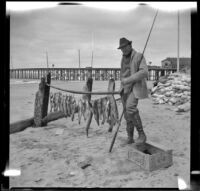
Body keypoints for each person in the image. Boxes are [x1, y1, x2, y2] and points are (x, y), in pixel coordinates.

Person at [118, 37, 148, 144]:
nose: (123, 50)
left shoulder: (138, 56)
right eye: (121, 48)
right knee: (127, 114)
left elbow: (144, 72)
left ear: (130, 45)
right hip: (124, 89)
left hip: (135, 88)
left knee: (130, 107)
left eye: (125, 47)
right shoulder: (122, 58)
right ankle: (130, 137)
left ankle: (142, 134)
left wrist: (128, 80)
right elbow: (123, 74)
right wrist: (121, 86)